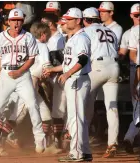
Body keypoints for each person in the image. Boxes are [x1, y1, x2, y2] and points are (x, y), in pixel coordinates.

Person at [0, 8, 45, 156]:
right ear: (8, 22)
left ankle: (39, 139)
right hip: (6, 74)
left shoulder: (28, 37)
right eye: (14, 20)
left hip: (23, 75)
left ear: (22, 22)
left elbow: (31, 59)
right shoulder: (0, 37)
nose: (16, 23)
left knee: (32, 105)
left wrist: (19, 71)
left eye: (19, 20)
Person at [43, 8, 92, 162]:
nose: (67, 21)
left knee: (75, 118)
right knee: (78, 117)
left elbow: (83, 60)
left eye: (70, 19)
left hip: (77, 79)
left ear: (78, 20)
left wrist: (67, 74)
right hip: (74, 78)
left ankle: (76, 154)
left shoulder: (81, 38)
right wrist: (53, 69)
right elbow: (67, 64)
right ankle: (85, 152)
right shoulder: (72, 38)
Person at [83, 7, 119, 158]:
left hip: (97, 67)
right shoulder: (111, 31)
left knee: (83, 102)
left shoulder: (87, 31)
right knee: (112, 107)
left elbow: (84, 55)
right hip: (114, 67)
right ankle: (112, 143)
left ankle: (80, 141)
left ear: (85, 19)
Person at [41, 13, 67, 153]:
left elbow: (59, 61)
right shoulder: (52, 38)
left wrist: (52, 72)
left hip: (59, 76)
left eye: (44, 23)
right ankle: (54, 140)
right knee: (54, 110)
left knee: (59, 110)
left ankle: (58, 141)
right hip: (53, 77)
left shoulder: (59, 39)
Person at [124, 3, 140, 154]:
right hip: (136, 69)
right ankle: (129, 138)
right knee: (137, 108)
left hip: (137, 69)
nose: (139, 18)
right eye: (136, 15)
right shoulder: (130, 33)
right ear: (131, 15)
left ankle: (129, 137)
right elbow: (131, 56)